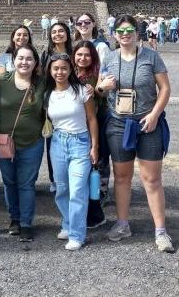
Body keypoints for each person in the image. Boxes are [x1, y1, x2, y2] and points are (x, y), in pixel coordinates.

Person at [95, 15, 174, 253]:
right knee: (121, 177)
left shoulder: (151, 56)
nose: (125, 34)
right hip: (118, 123)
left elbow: (165, 88)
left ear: (137, 32)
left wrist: (154, 115)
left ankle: (161, 231)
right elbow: (100, 89)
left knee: (151, 179)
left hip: (146, 124)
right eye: (120, 31)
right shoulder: (109, 57)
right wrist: (101, 87)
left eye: (129, 30)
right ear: (114, 34)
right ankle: (122, 224)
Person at [45, 52, 99, 250]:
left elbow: (92, 119)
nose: (60, 72)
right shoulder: (47, 93)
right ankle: (67, 223)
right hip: (58, 142)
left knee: (77, 189)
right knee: (62, 188)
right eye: (56, 68)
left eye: (64, 68)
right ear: (50, 71)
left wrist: (95, 146)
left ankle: (77, 234)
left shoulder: (81, 90)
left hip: (80, 141)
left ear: (70, 70)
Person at [0, 44, 45, 242]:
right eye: (20, 58)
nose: (24, 62)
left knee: (26, 184)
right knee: (9, 182)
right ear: (13, 60)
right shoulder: (2, 80)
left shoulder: (42, 83)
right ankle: (14, 219)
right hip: (4, 141)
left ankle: (26, 223)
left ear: (35, 63)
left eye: (29, 59)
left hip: (32, 142)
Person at [72, 40, 108, 227]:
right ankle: (83, 211)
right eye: (79, 54)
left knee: (91, 169)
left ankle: (94, 212)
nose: (83, 58)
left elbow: (103, 92)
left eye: (87, 55)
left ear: (93, 57)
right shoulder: (70, 73)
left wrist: (98, 90)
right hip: (74, 127)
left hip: (93, 125)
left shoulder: (97, 74)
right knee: (80, 173)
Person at [40, 21, 73, 192]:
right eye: (54, 32)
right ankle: (54, 178)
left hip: (72, 97)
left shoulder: (74, 53)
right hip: (52, 98)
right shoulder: (46, 53)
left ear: (67, 34)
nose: (57, 34)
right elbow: (41, 77)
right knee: (52, 138)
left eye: (61, 31)